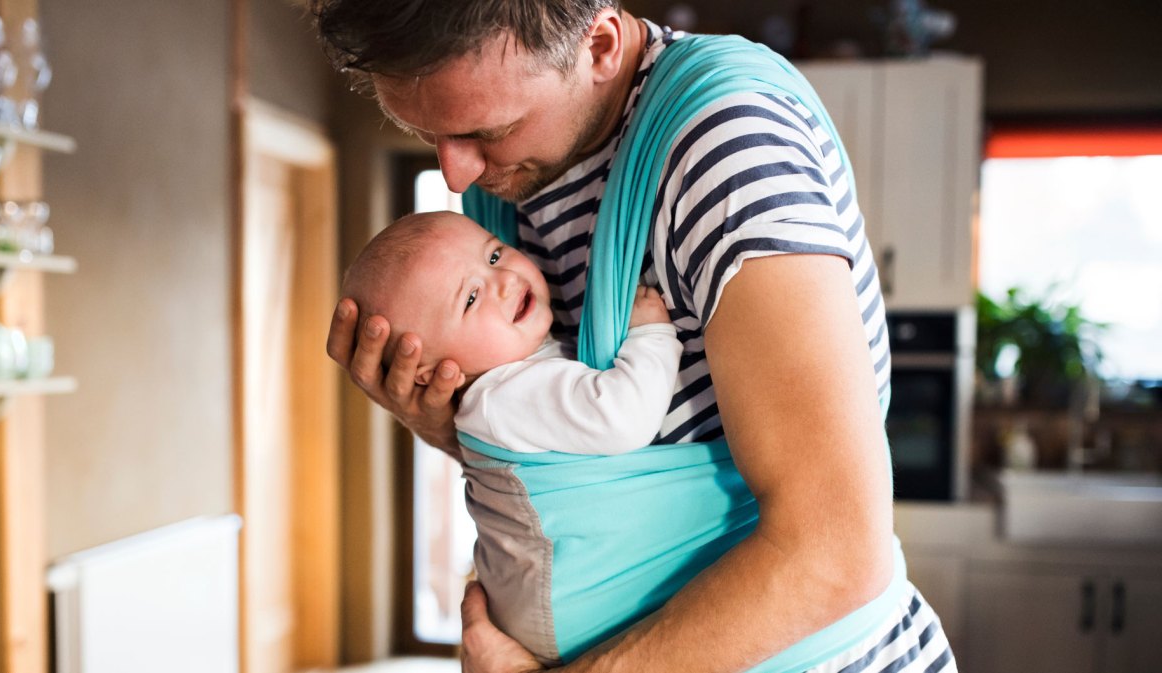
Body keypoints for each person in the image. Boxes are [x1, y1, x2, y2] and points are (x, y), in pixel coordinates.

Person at [314, 2, 957, 673]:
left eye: (487, 130)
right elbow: (591, 463)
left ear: (598, 46)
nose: (456, 174)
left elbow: (835, 553)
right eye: (427, 133)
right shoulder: (509, 184)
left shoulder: (725, 148)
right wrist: (463, 428)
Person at [339, 209, 681, 457]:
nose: (504, 280)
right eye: (471, 298)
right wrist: (651, 336)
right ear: (429, 373)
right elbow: (623, 421)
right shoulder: (502, 398)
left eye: (493, 255)